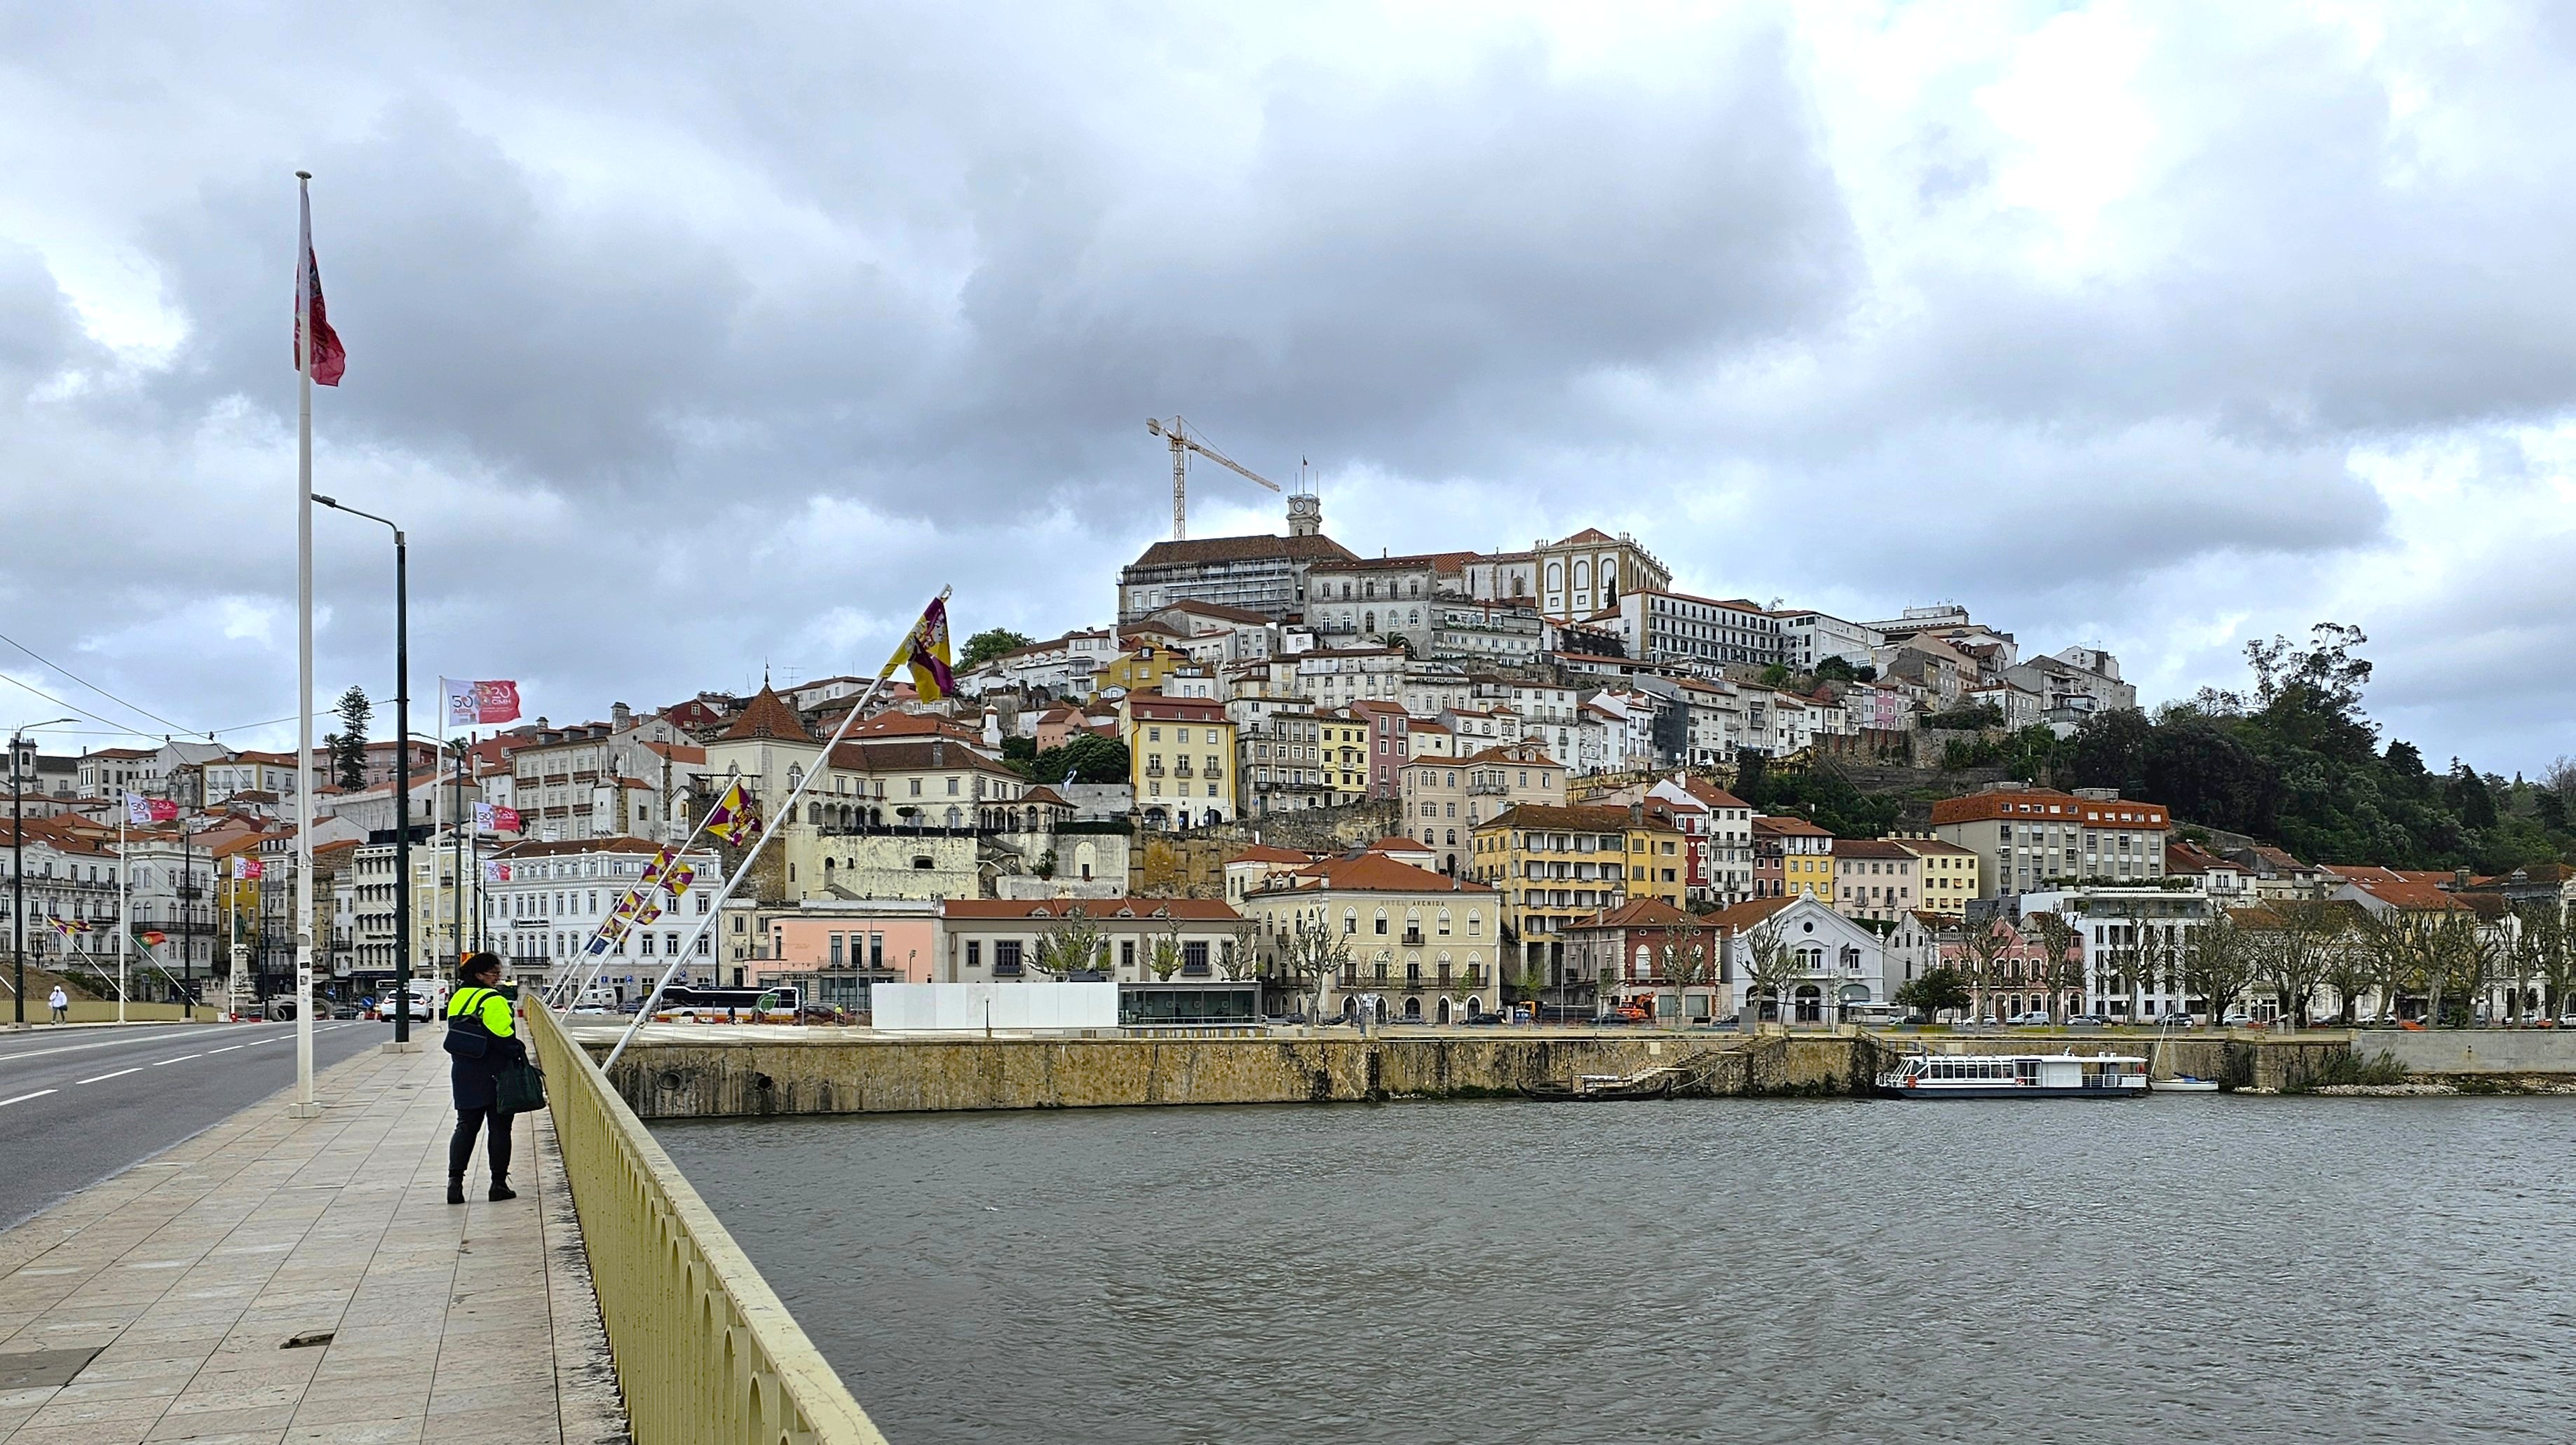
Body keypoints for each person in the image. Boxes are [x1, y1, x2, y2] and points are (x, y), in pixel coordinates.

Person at [444, 952, 525, 1205]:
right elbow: (504, 1037)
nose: (498, 977)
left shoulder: (458, 998)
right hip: (494, 1073)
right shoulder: (493, 999)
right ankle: (498, 1184)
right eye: (494, 973)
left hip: (463, 1071)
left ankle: (455, 1183)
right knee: (500, 1128)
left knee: (466, 1126)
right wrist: (519, 1051)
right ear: (479, 975)